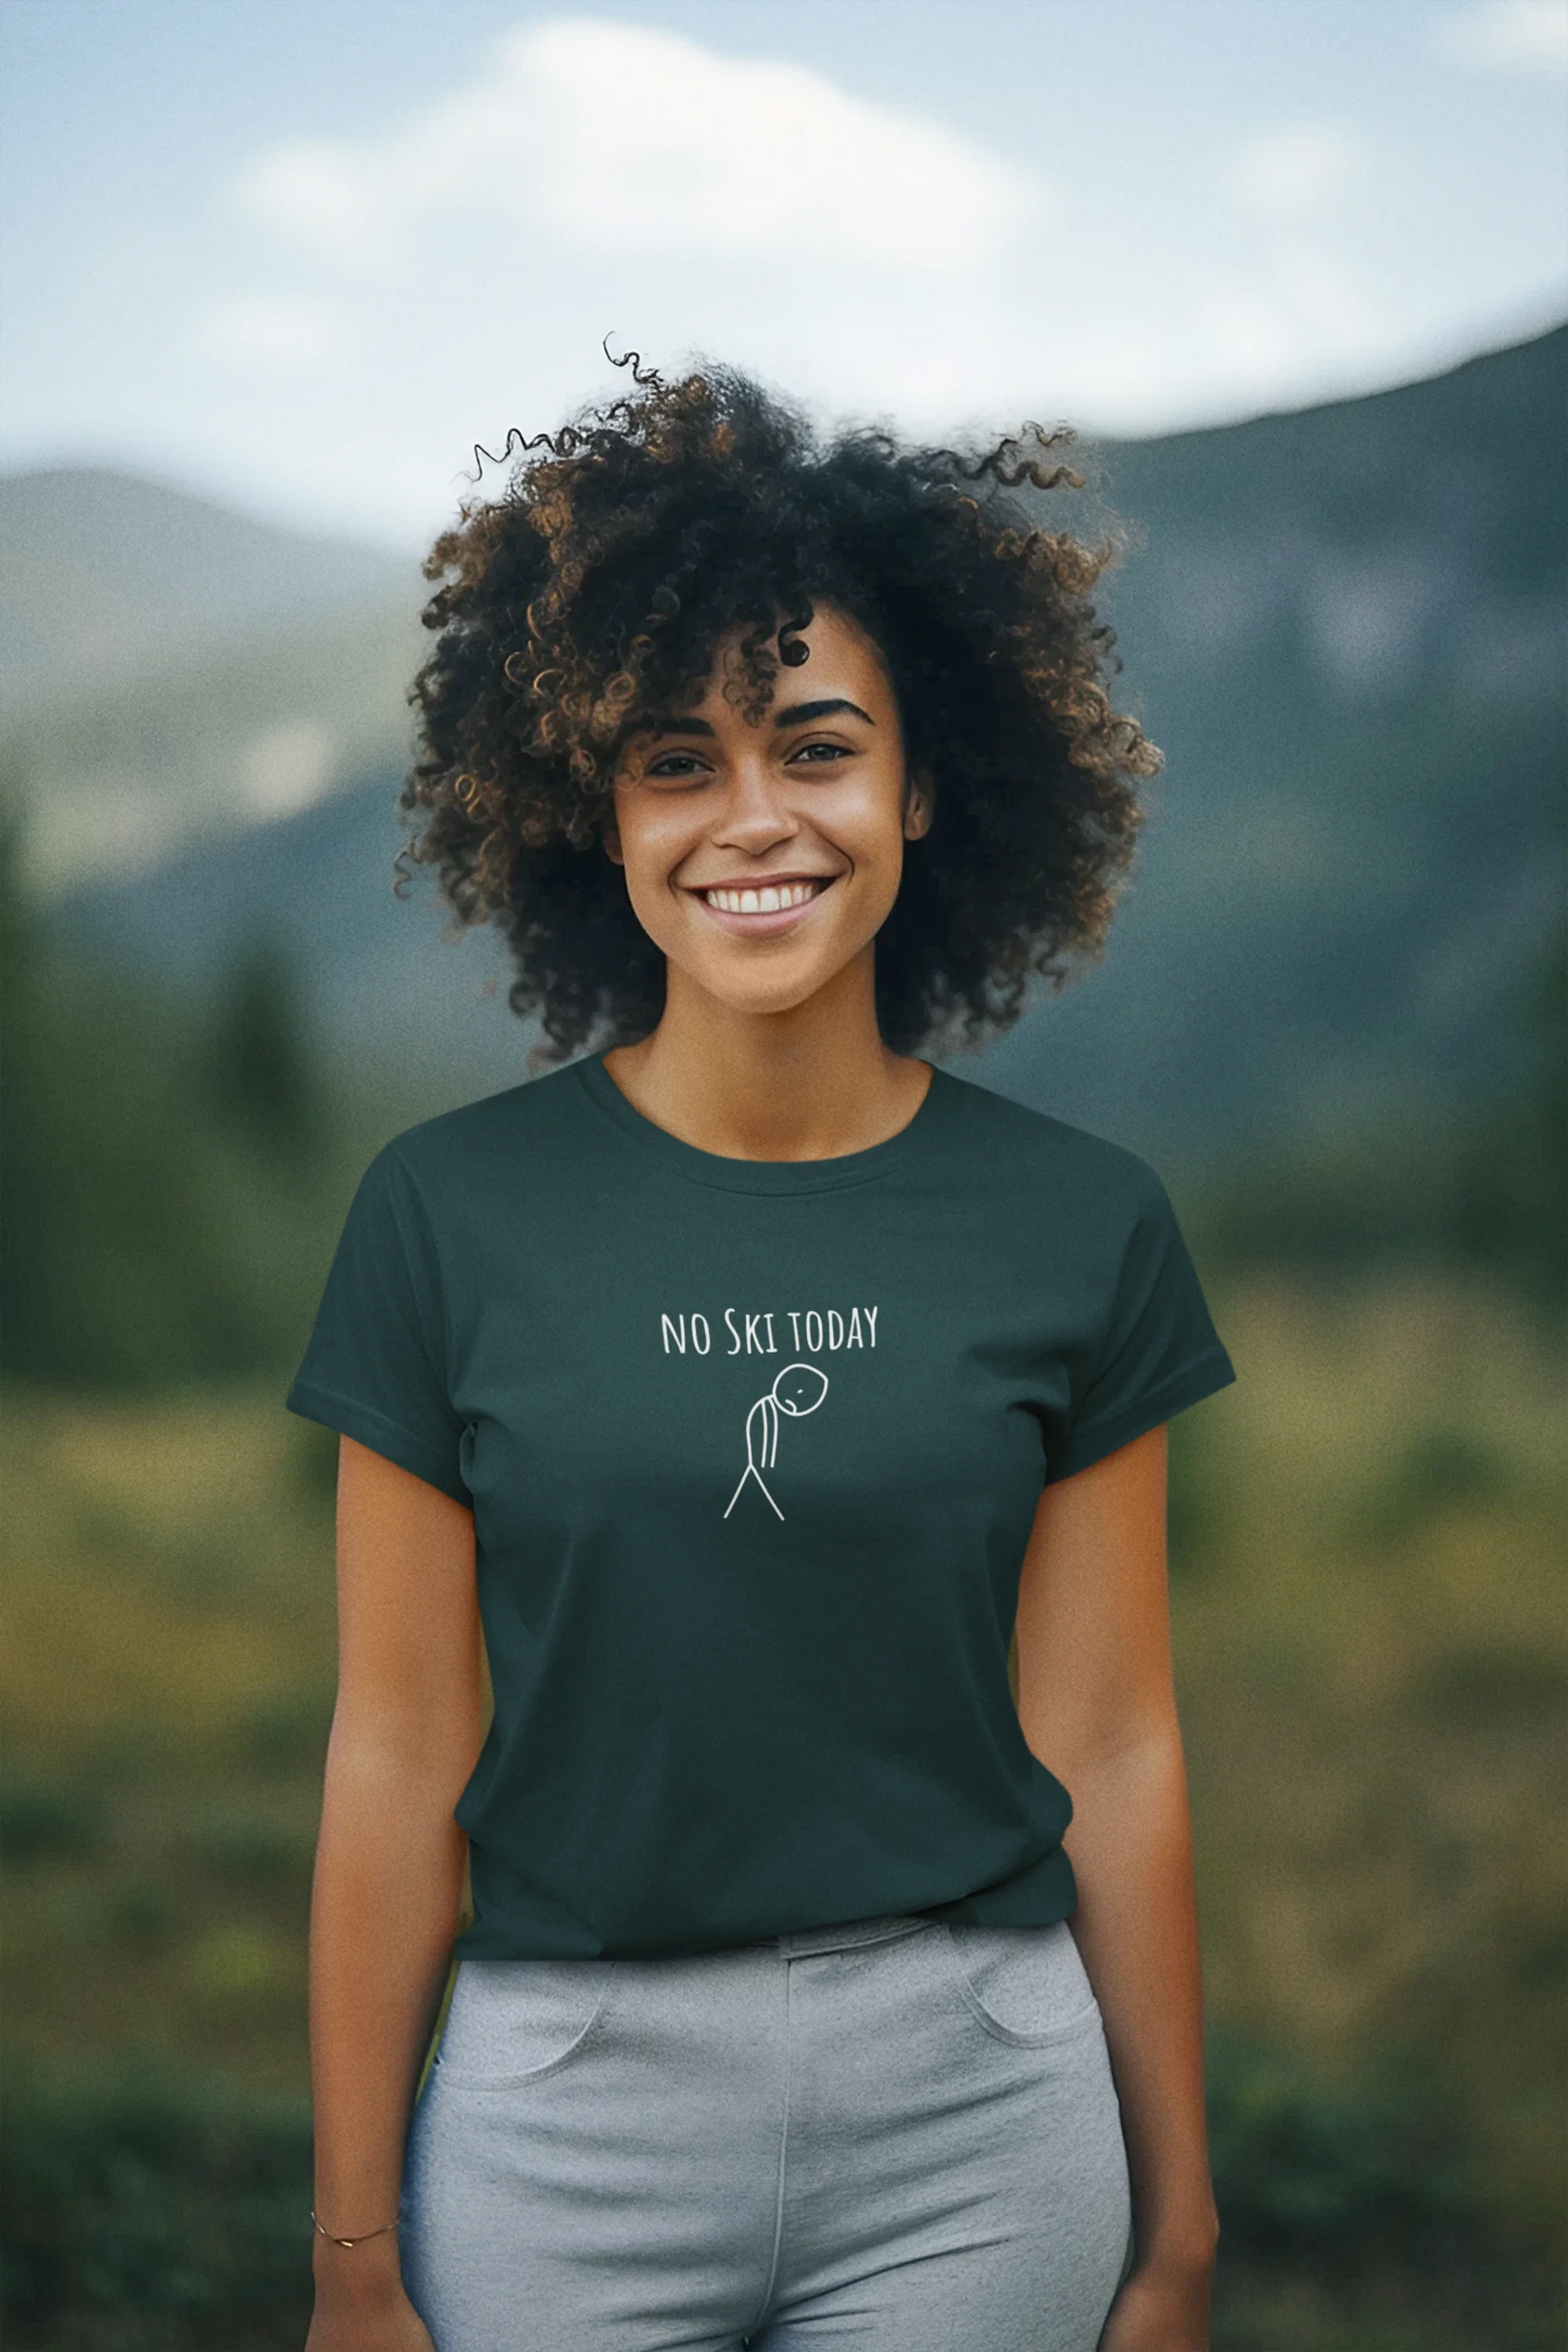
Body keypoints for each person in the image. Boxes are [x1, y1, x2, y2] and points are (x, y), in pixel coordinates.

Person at [292, 352, 1237, 2352]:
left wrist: (1179, 2225)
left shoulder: (1080, 1225)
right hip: (568, 2114)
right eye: (673, 762)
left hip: (981, 2113)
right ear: (596, 812)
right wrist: (352, 2258)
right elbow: (394, 1752)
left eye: (813, 746)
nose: (752, 821)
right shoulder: (446, 1217)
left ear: (917, 784)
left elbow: (1112, 1744)